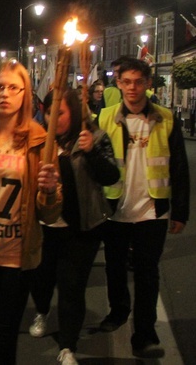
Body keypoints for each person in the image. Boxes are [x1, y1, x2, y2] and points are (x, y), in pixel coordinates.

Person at [0, 59, 62, 365]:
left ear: (25, 94)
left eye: (13, 88)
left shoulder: (41, 142)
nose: (5, 93)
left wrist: (50, 190)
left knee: (4, 335)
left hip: (17, 256)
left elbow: (50, 214)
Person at [98, 58, 190, 359]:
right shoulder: (105, 117)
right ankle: (119, 311)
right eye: (127, 82)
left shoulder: (165, 118)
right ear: (119, 84)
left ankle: (145, 333)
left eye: (139, 81)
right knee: (114, 268)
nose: (133, 87)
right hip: (116, 208)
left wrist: (180, 211)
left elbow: (179, 167)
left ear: (148, 83)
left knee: (148, 273)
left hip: (153, 209)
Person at [27, 89, 118, 365]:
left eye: (61, 112)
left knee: (71, 287)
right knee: (41, 279)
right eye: (48, 110)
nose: (52, 116)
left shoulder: (94, 137)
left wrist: (90, 152)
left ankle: (68, 345)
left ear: (75, 112)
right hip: (45, 226)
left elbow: (111, 176)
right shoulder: (40, 140)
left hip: (82, 228)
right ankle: (42, 310)